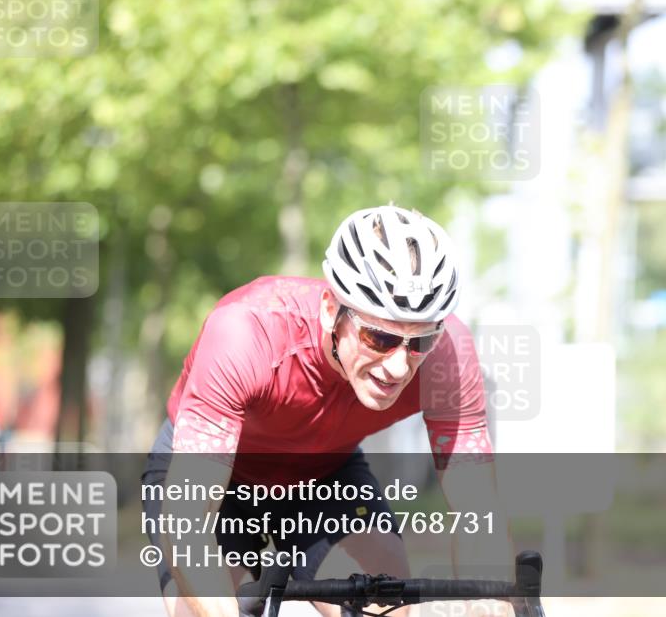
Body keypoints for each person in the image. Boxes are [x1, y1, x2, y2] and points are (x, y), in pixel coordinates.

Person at [142, 205, 513, 617]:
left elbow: (479, 511)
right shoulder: (246, 333)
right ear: (329, 310)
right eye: (379, 337)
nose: (398, 365)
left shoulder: (448, 360)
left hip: (324, 475)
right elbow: (188, 519)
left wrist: (491, 601)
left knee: (381, 606)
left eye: (420, 341)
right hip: (219, 479)